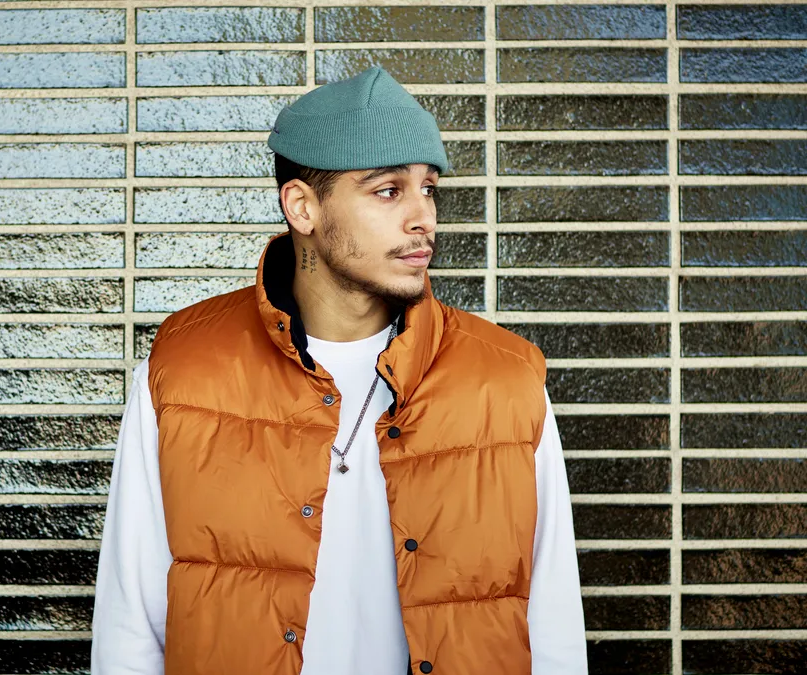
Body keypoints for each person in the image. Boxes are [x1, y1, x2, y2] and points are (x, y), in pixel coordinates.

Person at [91, 65, 588, 675]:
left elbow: (553, 623)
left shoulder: (505, 380)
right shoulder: (187, 370)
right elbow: (131, 622)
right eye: (388, 191)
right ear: (302, 206)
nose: (422, 218)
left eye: (428, 188)